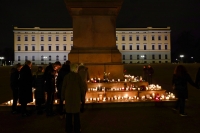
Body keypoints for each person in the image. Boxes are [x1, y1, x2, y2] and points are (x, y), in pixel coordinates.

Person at [62, 63, 85, 133]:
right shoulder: (78, 77)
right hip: (76, 98)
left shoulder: (66, 77)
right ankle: (77, 129)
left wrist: (63, 98)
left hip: (68, 98)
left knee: (68, 115)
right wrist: (82, 98)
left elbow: (63, 88)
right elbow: (82, 89)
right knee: (76, 115)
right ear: (76, 69)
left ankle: (68, 129)